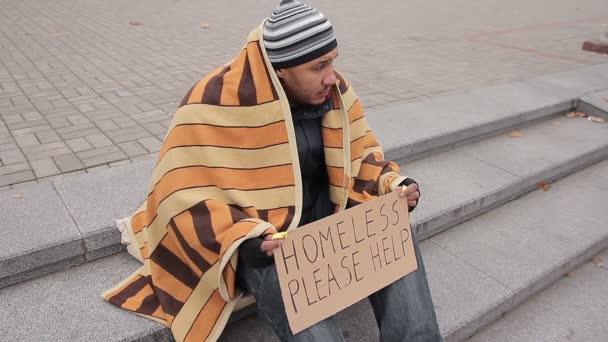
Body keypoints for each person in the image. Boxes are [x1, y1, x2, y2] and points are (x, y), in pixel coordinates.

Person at [102, 1, 442, 341]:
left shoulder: (336, 90)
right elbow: (180, 193)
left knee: (391, 224)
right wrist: (243, 242)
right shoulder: (212, 102)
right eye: (319, 66)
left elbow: (362, 155)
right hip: (267, 239)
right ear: (281, 69)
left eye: (333, 60)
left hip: (326, 224)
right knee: (284, 274)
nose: (331, 76)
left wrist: (393, 185)